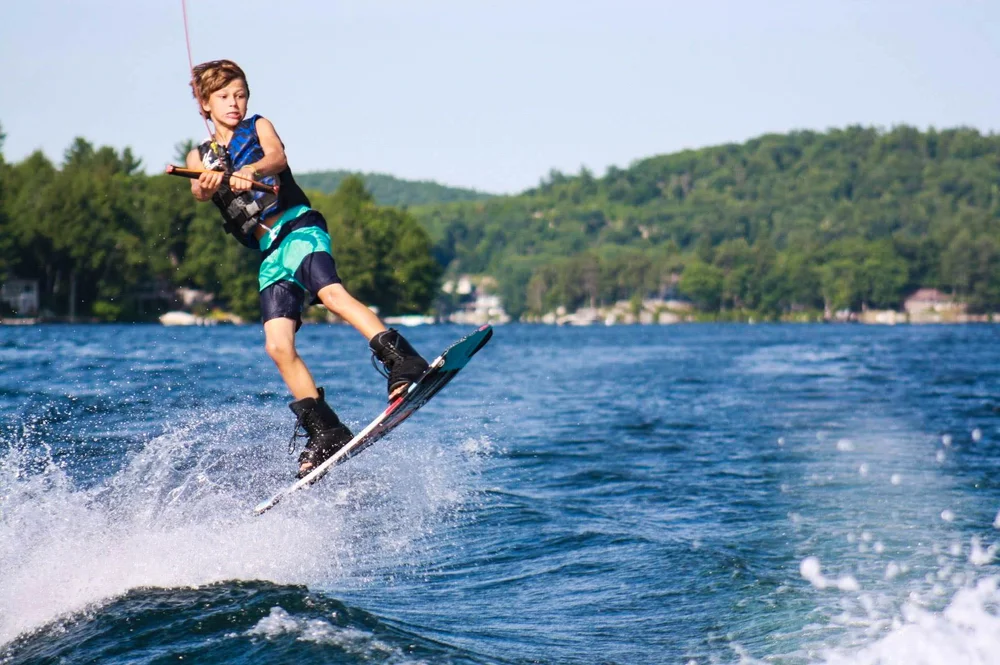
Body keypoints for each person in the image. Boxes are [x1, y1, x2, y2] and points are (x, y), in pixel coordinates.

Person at [184, 59, 428, 478]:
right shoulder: (198, 155)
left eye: (241, 94)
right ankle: (325, 428)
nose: (235, 103)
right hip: (269, 252)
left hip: (298, 226)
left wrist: (250, 170)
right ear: (204, 104)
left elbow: (277, 157)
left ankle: (402, 360)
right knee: (277, 345)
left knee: (332, 294)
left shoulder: (259, 126)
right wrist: (207, 185)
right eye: (224, 97)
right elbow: (198, 192)